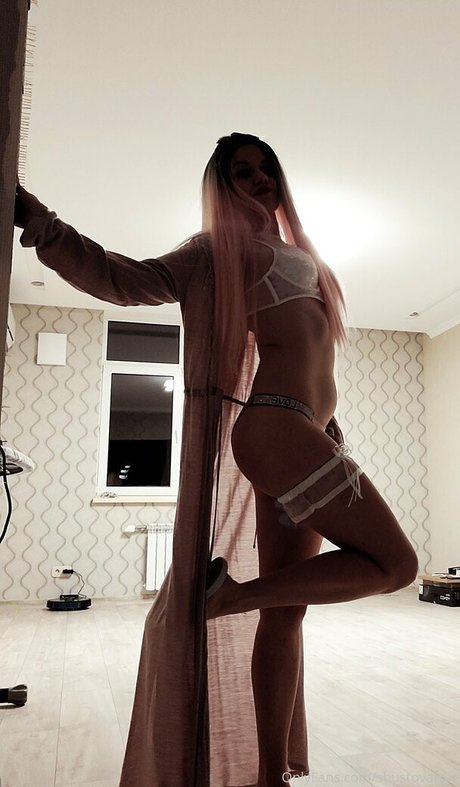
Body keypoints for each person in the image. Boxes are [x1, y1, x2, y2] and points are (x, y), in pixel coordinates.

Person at [14, 132, 418, 787]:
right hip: (278, 426)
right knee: (397, 564)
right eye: (242, 171)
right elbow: (123, 278)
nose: (259, 180)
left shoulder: (299, 254)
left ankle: (269, 776)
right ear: (222, 186)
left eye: (266, 168)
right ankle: (229, 597)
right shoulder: (214, 250)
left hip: (304, 433)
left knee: (286, 613)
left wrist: (329, 429)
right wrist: (45, 226)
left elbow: (316, 357)